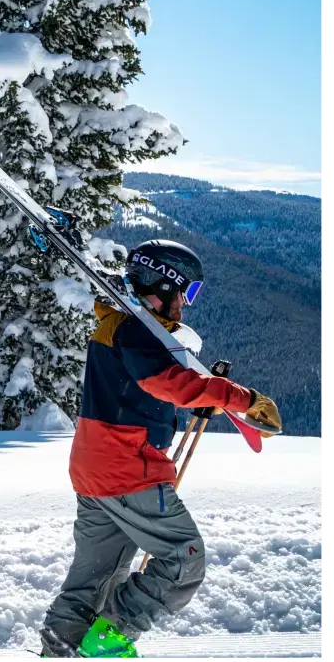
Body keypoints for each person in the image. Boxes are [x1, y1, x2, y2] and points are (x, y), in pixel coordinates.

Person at [39, 240, 281, 659]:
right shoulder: (134, 329)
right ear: (161, 285)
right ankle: (109, 641)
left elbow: (142, 386)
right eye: (185, 293)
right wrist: (241, 398)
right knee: (183, 559)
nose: (185, 306)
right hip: (128, 469)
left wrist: (202, 396)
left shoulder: (119, 324)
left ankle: (61, 650)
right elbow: (166, 383)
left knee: (96, 575)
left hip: (94, 469)